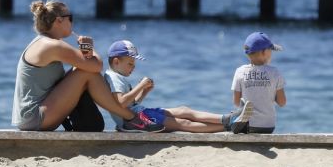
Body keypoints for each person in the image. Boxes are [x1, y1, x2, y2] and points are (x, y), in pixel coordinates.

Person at [12, 0, 164, 132]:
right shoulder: (52, 46)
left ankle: (130, 117)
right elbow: (96, 66)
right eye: (70, 18)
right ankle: (132, 118)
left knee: (81, 70)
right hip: (34, 118)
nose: (72, 23)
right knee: (86, 73)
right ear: (58, 21)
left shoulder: (43, 42)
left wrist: (86, 53)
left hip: (33, 117)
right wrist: (90, 49)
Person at [103, 39, 253, 133]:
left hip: (140, 114)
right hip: (139, 121)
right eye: (130, 64)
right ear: (116, 61)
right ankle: (228, 125)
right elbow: (121, 103)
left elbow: (131, 104)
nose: (133, 67)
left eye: (134, 64)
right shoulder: (115, 78)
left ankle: (227, 119)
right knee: (183, 123)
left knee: (184, 110)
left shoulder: (118, 77)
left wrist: (144, 92)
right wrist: (141, 85)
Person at [230, 32, 286, 134]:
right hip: (268, 127)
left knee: (230, 119)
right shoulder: (275, 72)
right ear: (264, 52)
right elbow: (282, 103)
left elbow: (236, 102)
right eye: (271, 50)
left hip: (247, 126)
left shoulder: (240, 71)